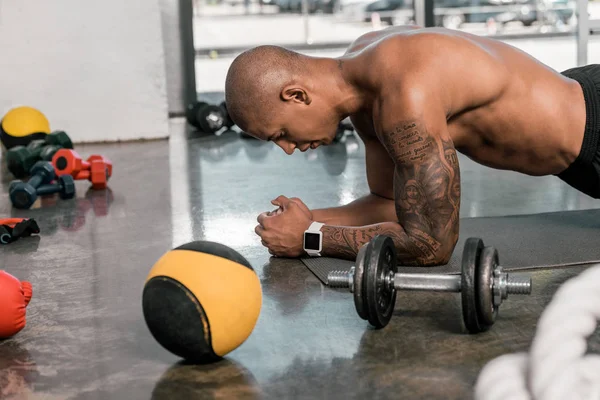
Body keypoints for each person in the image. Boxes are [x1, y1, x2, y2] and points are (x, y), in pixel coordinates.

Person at [224, 25, 599, 265]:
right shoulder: (364, 88)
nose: (288, 148)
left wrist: (311, 239)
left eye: (279, 135)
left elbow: (431, 245)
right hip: (575, 145)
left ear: (296, 95)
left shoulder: (404, 92)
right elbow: (390, 203)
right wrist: (308, 220)